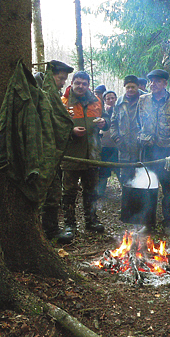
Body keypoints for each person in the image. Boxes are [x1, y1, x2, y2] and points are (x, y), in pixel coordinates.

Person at [137, 69, 170, 236]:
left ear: (165, 83)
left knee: (169, 189)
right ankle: (148, 224)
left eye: (157, 81)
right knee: (148, 187)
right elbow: (139, 122)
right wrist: (143, 137)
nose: (153, 84)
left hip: (168, 153)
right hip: (149, 150)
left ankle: (169, 224)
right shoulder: (143, 100)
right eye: (151, 81)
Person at [59, 71, 110, 240]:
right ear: (72, 83)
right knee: (69, 191)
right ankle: (69, 224)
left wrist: (104, 123)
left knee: (91, 190)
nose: (81, 86)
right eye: (78, 83)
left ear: (89, 85)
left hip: (92, 154)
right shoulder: (63, 102)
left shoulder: (96, 101)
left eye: (84, 83)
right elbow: (56, 126)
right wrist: (71, 131)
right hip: (71, 154)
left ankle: (91, 220)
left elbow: (107, 120)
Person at [38, 60, 75, 242]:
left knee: (53, 191)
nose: (63, 83)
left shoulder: (53, 94)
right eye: (61, 78)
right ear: (51, 76)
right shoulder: (45, 93)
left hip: (51, 152)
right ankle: (49, 231)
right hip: (45, 153)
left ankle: (49, 229)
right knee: (49, 192)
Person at [111, 75, 142, 185]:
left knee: (142, 177)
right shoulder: (119, 102)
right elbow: (113, 123)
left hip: (141, 148)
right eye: (128, 87)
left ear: (138, 87)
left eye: (133, 87)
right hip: (124, 148)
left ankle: (142, 201)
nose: (130, 89)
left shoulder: (145, 99)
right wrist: (116, 138)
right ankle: (127, 200)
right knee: (125, 178)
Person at [97, 90, 120, 197]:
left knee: (120, 169)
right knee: (103, 170)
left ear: (116, 98)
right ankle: (100, 193)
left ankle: (127, 192)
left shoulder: (121, 109)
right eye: (108, 99)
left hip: (118, 146)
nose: (111, 100)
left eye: (112, 98)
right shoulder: (102, 111)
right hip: (105, 145)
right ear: (104, 100)